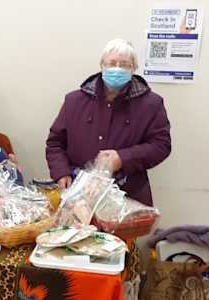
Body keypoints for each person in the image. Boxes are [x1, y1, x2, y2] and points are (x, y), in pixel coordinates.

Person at [45, 38, 171, 206]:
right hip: (78, 195)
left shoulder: (151, 104)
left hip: (128, 197)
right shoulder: (74, 101)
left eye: (124, 64)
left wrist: (123, 158)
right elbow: (55, 143)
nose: (117, 69)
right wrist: (61, 172)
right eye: (112, 63)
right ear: (102, 65)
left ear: (133, 68)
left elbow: (161, 145)